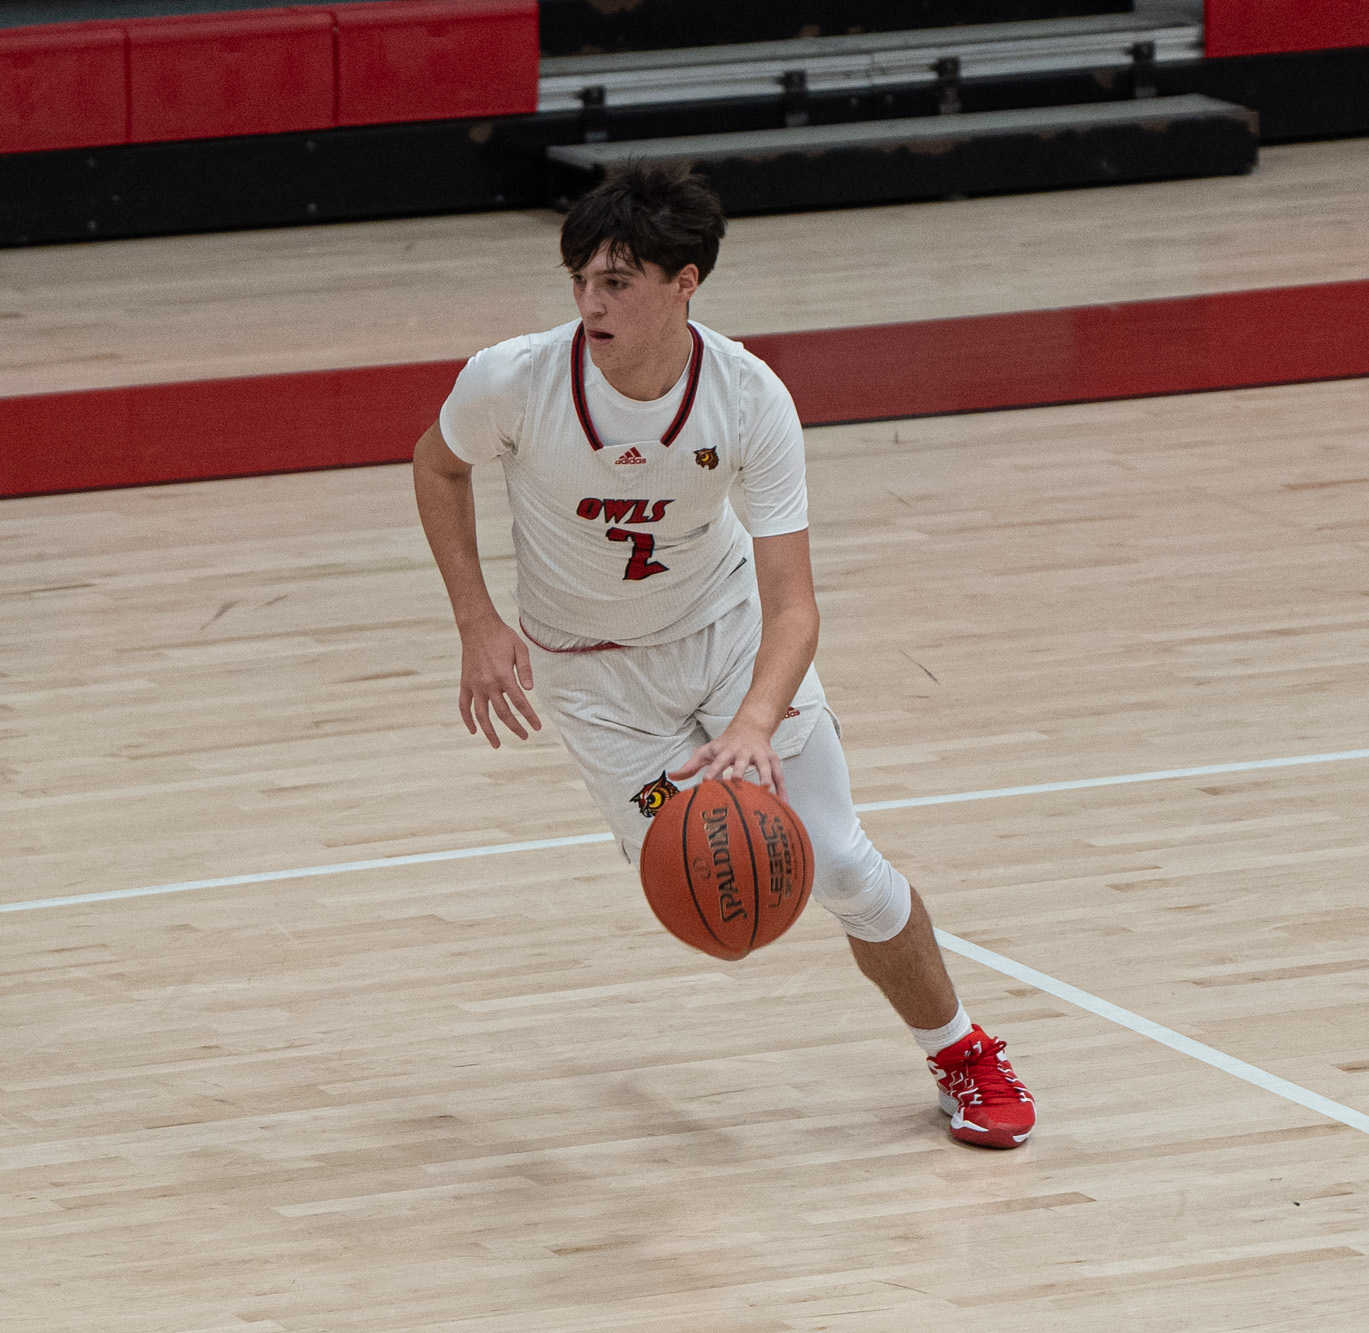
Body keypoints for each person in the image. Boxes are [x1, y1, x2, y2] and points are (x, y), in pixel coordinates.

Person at [411, 164, 1036, 1148]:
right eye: (581, 278)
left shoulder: (747, 398)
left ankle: (962, 1052)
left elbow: (793, 604)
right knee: (703, 869)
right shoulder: (514, 379)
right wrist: (475, 619)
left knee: (840, 864)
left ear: (683, 282)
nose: (589, 302)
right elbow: (436, 463)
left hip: (727, 640)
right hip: (595, 677)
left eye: (616, 282)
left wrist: (752, 721)